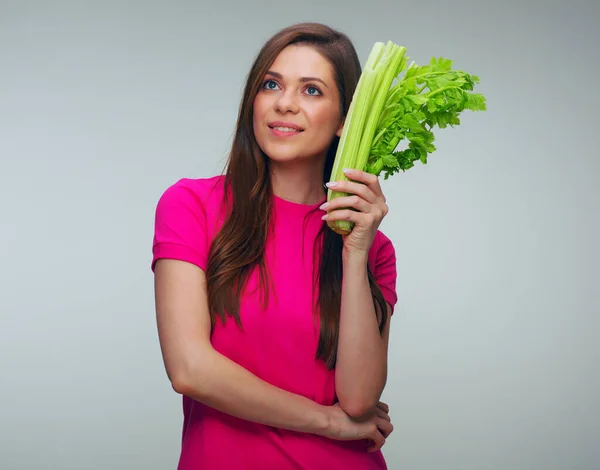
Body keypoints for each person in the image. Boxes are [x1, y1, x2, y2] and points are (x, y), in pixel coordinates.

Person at [151, 22, 398, 470]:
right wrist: (327, 422)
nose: (284, 103)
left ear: (346, 119)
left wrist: (356, 253)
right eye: (271, 84)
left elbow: (360, 399)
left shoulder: (373, 248)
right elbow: (189, 368)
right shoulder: (192, 206)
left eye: (312, 91)